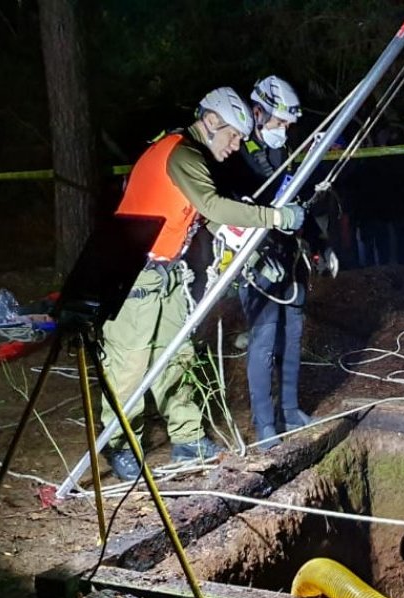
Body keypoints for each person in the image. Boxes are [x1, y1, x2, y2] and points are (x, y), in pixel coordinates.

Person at [102, 86, 307, 480]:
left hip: (166, 272)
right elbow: (213, 205)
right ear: (211, 121)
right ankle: (120, 444)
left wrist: (251, 253)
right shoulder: (180, 152)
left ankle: (187, 437)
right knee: (130, 362)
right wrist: (276, 217)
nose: (236, 145)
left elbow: (208, 217)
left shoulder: (194, 158)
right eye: (232, 135)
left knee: (176, 355)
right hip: (133, 270)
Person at [210, 75, 336, 450]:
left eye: (287, 124)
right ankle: (266, 424)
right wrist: (257, 253)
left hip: (289, 258)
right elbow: (232, 213)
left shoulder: (283, 151)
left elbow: (297, 203)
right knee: (264, 340)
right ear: (258, 112)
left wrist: (320, 244)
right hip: (257, 261)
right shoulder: (236, 157)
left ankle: (290, 409)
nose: (283, 129)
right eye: (279, 121)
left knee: (292, 334)